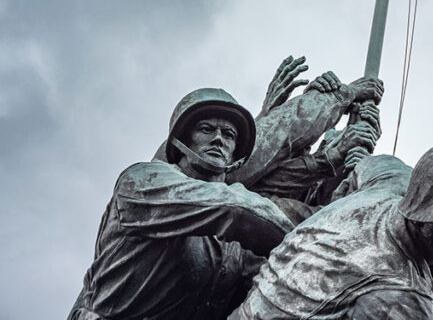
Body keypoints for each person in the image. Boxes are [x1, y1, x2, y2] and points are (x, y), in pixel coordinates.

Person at [69, 59, 384, 320]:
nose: (218, 139)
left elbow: (289, 279)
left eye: (229, 134)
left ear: (237, 154)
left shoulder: (234, 250)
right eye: (206, 129)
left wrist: (347, 186)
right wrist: (333, 240)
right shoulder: (143, 183)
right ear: (180, 141)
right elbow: (236, 209)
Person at [230, 141, 433, 320]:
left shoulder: (392, 181)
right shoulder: (400, 296)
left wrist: (342, 200)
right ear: (426, 215)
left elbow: (365, 164)